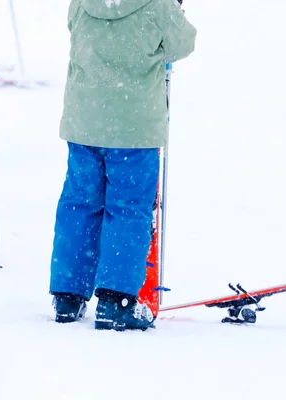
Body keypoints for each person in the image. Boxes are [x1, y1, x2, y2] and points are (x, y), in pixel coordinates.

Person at [49, 0, 196, 331]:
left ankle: (68, 295)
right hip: (133, 127)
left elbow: (74, 28)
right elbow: (183, 43)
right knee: (129, 208)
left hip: (84, 121)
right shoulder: (158, 5)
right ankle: (116, 299)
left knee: (79, 205)